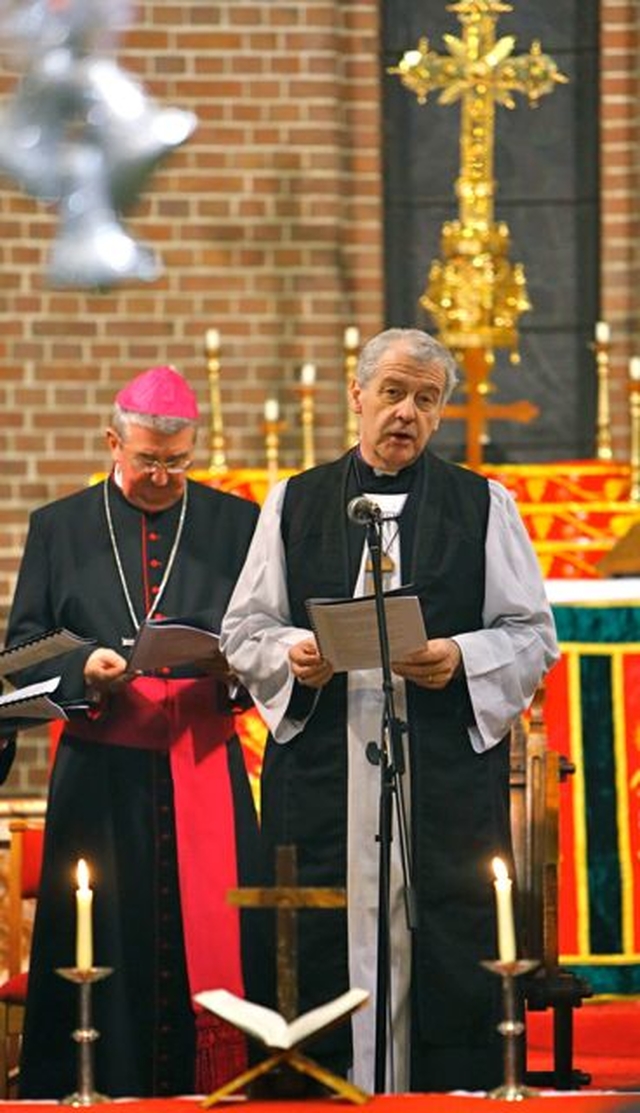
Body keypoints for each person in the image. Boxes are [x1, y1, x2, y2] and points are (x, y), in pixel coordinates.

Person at [220, 328, 560, 1094]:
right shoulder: (295, 502)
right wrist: (295, 654)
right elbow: (244, 629)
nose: (406, 412)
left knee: (441, 933)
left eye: (425, 399)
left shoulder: (483, 504)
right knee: (319, 939)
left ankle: (437, 1097)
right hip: (326, 771)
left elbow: (532, 635)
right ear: (358, 397)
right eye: (392, 393)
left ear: (439, 413)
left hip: (435, 769)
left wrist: (460, 658)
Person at [3, 365, 261, 1099]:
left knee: (203, 934)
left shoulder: (232, 521)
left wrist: (233, 663)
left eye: (178, 461)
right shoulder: (59, 525)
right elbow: (25, 643)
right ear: (113, 442)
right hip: (99, 771)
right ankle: (95, 1079)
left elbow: (259, 628)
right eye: (148, 459)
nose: (162, 475)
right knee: (101, 928)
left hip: (203, 759)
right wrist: (88, 662)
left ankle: (206, 1079)